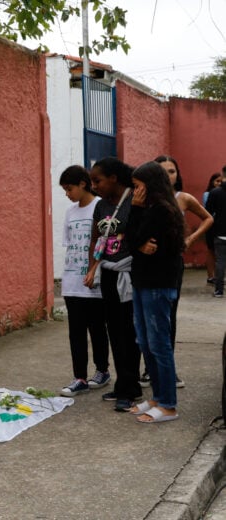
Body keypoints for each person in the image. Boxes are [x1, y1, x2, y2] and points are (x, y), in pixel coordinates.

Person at [138, 156, 213, 389]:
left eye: (172, 171)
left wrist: (190, 239)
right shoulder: (145, 200)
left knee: (167, 315)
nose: (168, 175)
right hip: (147, 266)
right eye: (163, 171)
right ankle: (149, 369)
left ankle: (168, 368)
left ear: (177, 174)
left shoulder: (183, 199)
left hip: (172, 265)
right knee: (145, 320)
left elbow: (208, 218)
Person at [125, 161, 185, 423]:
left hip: (157, 285)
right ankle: (157, 398)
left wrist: (136, 215)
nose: (134, 192)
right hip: (142, 282)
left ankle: (168, 405)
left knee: (159, 345)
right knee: (145, 342)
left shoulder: (161, 209)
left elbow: (135, 237)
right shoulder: (149, 208)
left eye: (137, 187)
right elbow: (133, 241)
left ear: (149, 185)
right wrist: (138, 245)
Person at [84, 157, 142, 412]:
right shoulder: (100, 206)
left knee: (128, 332)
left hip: (130, 274)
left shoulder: (135, 200)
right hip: (108, 274)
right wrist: (92, 268)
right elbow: (96, 238)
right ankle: (124, 384)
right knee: (114, 331)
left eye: (98, 180)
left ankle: (130, 389)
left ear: (114, 178)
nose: (94, 186)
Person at [58, 165, 111, 397]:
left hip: (94, 282)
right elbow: (69, 244)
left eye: (69, 188)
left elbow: (105, 243)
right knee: (76, 332)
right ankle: (79, 377)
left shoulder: (101, 207)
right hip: (72, 281)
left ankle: (102, 371)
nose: (67, 194)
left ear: (83, 183)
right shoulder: (70, 212)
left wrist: (94, 269)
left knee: (97, 329)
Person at [205, 168, 226, 298]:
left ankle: (219, 290)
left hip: (220, 231)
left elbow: (207, 213)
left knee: (220, 261)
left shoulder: (215, 192)